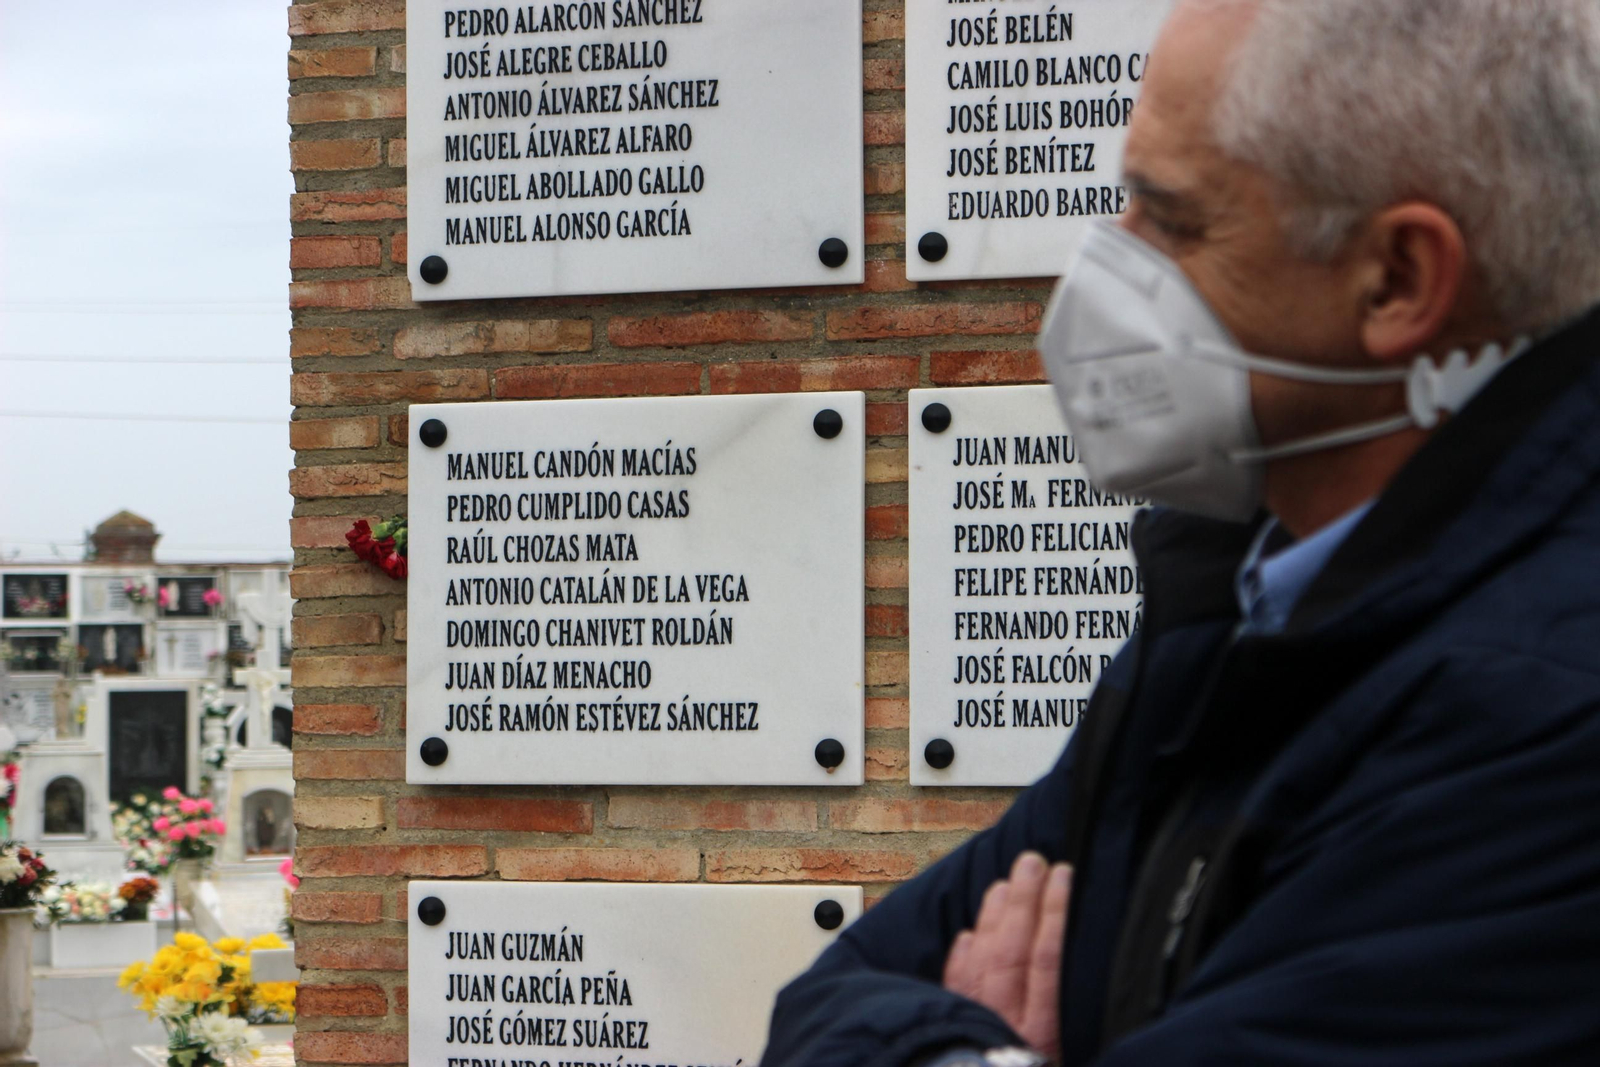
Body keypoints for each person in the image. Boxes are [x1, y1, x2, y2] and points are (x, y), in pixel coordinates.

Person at [760, 1, 1600, 1064]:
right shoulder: (1236, 599)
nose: (1103, 272)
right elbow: (831, 996)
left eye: (1174, 221)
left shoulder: (1541, 722)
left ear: (1397, 280)